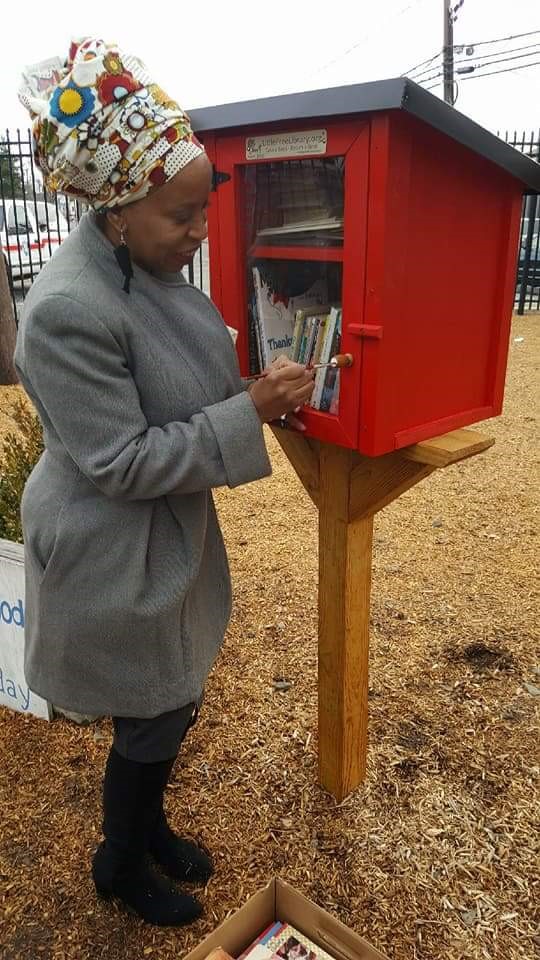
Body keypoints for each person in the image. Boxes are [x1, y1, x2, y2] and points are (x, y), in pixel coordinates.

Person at [15, 37, 315, 928]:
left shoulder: (139, 266)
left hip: (156, 529)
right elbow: (120, 461)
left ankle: (149, 827)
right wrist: (246, 413)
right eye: (182, 217)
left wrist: (257, 390)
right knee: (150, 709)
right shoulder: (68, 309)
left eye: (204, 210)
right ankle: (120, 859)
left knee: (172, 697)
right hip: (110, 537)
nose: (199, 233)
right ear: (115, 208)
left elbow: (180, 375)